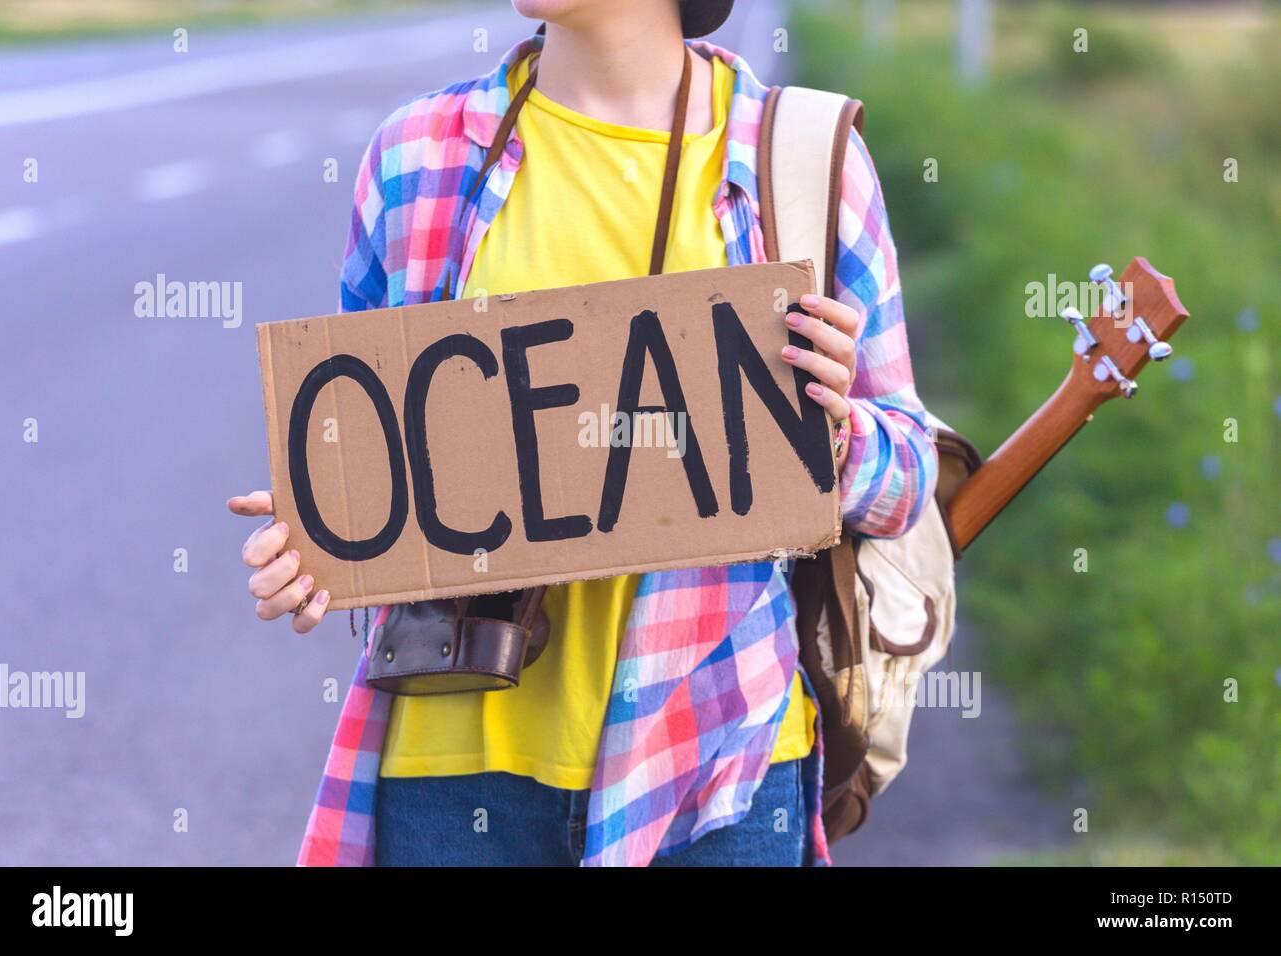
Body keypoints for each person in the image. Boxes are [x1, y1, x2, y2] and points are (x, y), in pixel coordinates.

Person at [228, 0, 936, 867]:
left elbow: (905, 477)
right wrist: (315, 538)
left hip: (717, 766)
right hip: (456, 776)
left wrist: (824, 434)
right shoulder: (417, 154)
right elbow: (368, 459)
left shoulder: (805, 161)